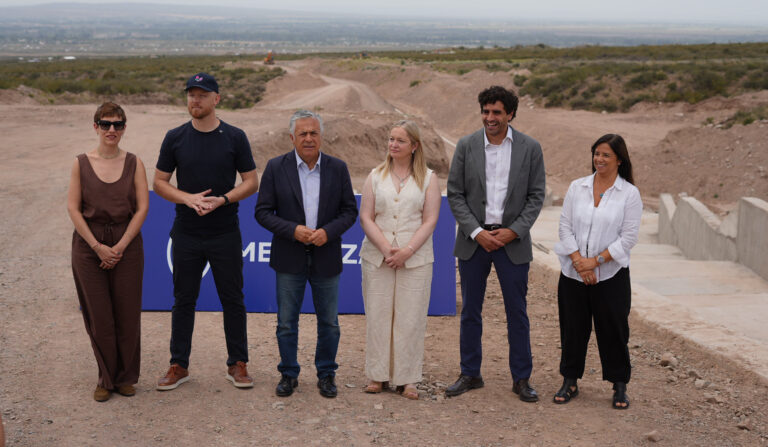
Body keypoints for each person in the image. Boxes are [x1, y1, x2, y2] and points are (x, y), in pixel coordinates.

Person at [153, 72, 258, 391]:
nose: (195, 100)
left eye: (202, 94)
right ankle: (178, 365)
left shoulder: (235, 137)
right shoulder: (175, 137)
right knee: (183, 299)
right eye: (190, 95)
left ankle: (237, 364)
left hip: (225, 232)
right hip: (186, 233)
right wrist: (188, 198)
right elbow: (158, 182)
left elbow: (252, 181)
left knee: (233, 299)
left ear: (217, 99)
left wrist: (223, 200)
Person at [446, 86, 546, 402]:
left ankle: (521, 379)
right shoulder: (466, 146)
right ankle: (470, 373)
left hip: (511, 243)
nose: (490, 118)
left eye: (497, 112)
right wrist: (477, 232)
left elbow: (536, 195)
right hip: (475, 242)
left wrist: (513, 231)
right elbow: (455, 193)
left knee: (517, 312)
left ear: (510, 114)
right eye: (486, 112)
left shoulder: (531, 148)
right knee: (471, 312)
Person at [255, 110, 358, 398]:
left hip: (327, 256)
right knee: (287, 322)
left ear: (321, 136)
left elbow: (349, 210)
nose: (309, 138)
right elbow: (262, 212)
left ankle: (326, 374)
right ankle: (288, 374)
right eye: (303, 133)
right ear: (292, 138)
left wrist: (328, 232)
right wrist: (292, 230)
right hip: (289, 256)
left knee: (329, 322)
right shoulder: (276, 167)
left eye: (314, 132)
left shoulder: (338, 168)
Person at [67, 102, 149, 402]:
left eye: (117, 124)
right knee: (99, 317)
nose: (111, 130)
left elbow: (142, 209)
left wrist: (120, 246)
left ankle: (126, 377)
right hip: (89, 246)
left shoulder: (135, 163)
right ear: (95, 127)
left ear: (124, 127)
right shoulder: (80, 163)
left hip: (127, 243)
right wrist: (98, 247)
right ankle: (106, 378)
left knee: (127, 315)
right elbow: (73, 209)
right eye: (105, 124)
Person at [552, 134, 641, 409]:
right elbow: (565, 226)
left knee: (614, 329)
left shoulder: (629, 194)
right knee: (572, 329)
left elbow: (628, 238)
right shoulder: (577, 187)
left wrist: (596, 262)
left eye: (606, 155)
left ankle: (619, 385)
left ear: (619, 160)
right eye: (596, 154)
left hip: (611, 276)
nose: (599, 160)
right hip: (573, 273)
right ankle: (570, 381)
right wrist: (580, 261)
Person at [359, 120, 441, 400]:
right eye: (391, 139)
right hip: (377, 257)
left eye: (400, 141)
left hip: (415, 260)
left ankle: (408, 379)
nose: (393, 144)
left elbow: (430, 220)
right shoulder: (374, 176)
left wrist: (407, 250)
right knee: (379, 315)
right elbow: (366, 217)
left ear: (414, 146)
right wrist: (384, 248)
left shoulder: (429, 179)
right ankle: (377, 375)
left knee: (410, 318)